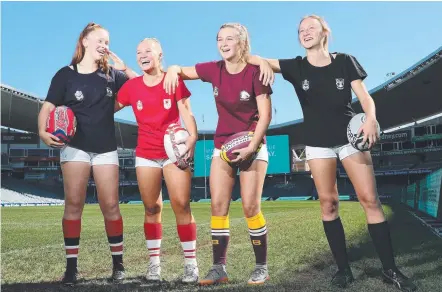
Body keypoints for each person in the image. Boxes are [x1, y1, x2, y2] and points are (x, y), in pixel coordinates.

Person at [246, 15, 417, 291]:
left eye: (311, 28)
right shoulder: (295, 66)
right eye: (301, 30)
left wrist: (371, 117)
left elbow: (364, 97)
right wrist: (264, 63)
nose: (305, 32)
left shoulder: (345, 60)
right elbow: (254, 58)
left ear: (325, 32)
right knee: (328, 203)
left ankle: (390, 269)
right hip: (316, 143)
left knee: (369, 200)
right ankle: (343, 270)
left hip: (349, 138)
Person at [164, 23, 273, 286]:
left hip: (252, 145)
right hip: (222, 147)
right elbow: (184, 71)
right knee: (218, 206)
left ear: (242, 42)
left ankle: (261, 267)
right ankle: (218, 269)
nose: (223, 43)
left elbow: (266, 115)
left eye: (230, 39)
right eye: (219, 39)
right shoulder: (214, 69)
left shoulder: (256, 72)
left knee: (250, 207)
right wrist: (172, 68)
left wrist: (251, 146)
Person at [38, 22, 138, 286]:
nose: (105, 46)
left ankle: (118, 266)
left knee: (111, 206)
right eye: (101, 40)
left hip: (106, 148)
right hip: (75, 147)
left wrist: (125, 68)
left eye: (108, 42)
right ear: (84, 41)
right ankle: (71, 269)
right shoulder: (65, 75)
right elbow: (48, 106)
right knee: (73, 205)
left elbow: (141, 86)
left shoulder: (111, 75)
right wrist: (42, 131)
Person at [115, 38, 199, 283]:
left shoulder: (173, 80)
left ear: (160, 54)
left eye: (148, 51)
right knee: (152, 208)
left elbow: (187, 112)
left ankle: (191, 265)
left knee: (181, 205)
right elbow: (106, 108)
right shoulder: (132, 87)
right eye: (138, 52)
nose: (142, 55)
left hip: (174, 153)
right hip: (145, 154)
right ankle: (154, 265)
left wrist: (192, 138)